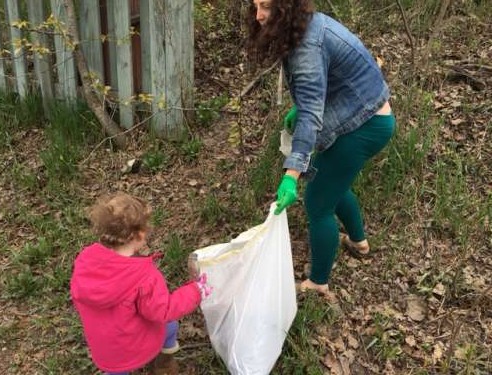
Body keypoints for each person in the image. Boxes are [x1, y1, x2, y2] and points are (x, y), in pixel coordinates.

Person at [246, 0, 396, 301]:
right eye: (254, 6)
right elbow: (322, 85)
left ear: (285, 7)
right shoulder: (307, 23)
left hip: (365, 125)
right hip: (365, 113)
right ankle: (358, 242)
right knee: (333, 184)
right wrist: (298, 107)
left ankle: (319, 283)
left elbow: (313, 114)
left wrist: (292, 173)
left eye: (265, 6)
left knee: (317, 201)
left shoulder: (306, 47)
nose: (258, 15)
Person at [70, 192, 212, 375]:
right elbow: (163, 310)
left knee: (116, 371)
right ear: (140, 234)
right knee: (169, 327)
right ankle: (164, 364)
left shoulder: (86, 260)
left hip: (104, 349)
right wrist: (196, 291)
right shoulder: (143, 277)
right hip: (133, 346)